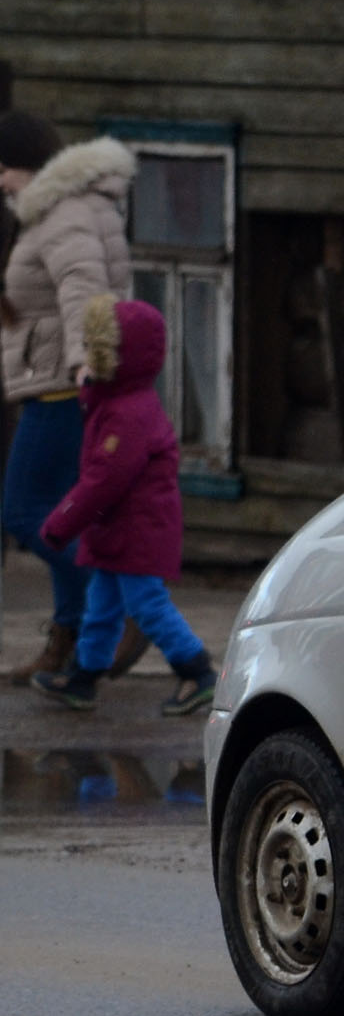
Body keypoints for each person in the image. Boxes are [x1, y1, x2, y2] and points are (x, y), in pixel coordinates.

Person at [1, 114, 149, 685]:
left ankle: (125, 602)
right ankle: (67, 640)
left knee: (21, 510)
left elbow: (83, 289)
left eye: (2, 170)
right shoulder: (71, 208)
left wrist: (86, 365)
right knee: (63, 514)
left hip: (66, 387)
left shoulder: (61, 213)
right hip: (64, 381)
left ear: (24, 163)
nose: (0, 184)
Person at [31, 296, 215, 715]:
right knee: (102, 605)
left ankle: (197, 670)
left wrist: (61, 523)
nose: (92, 359)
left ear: (121, 357)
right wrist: (91, 385)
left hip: (138, 531)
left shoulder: (128, 415)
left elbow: (103, 481)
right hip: (121, 532)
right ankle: (83, 679)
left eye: (101, 352)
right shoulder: (120, 402)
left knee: (146, 604)